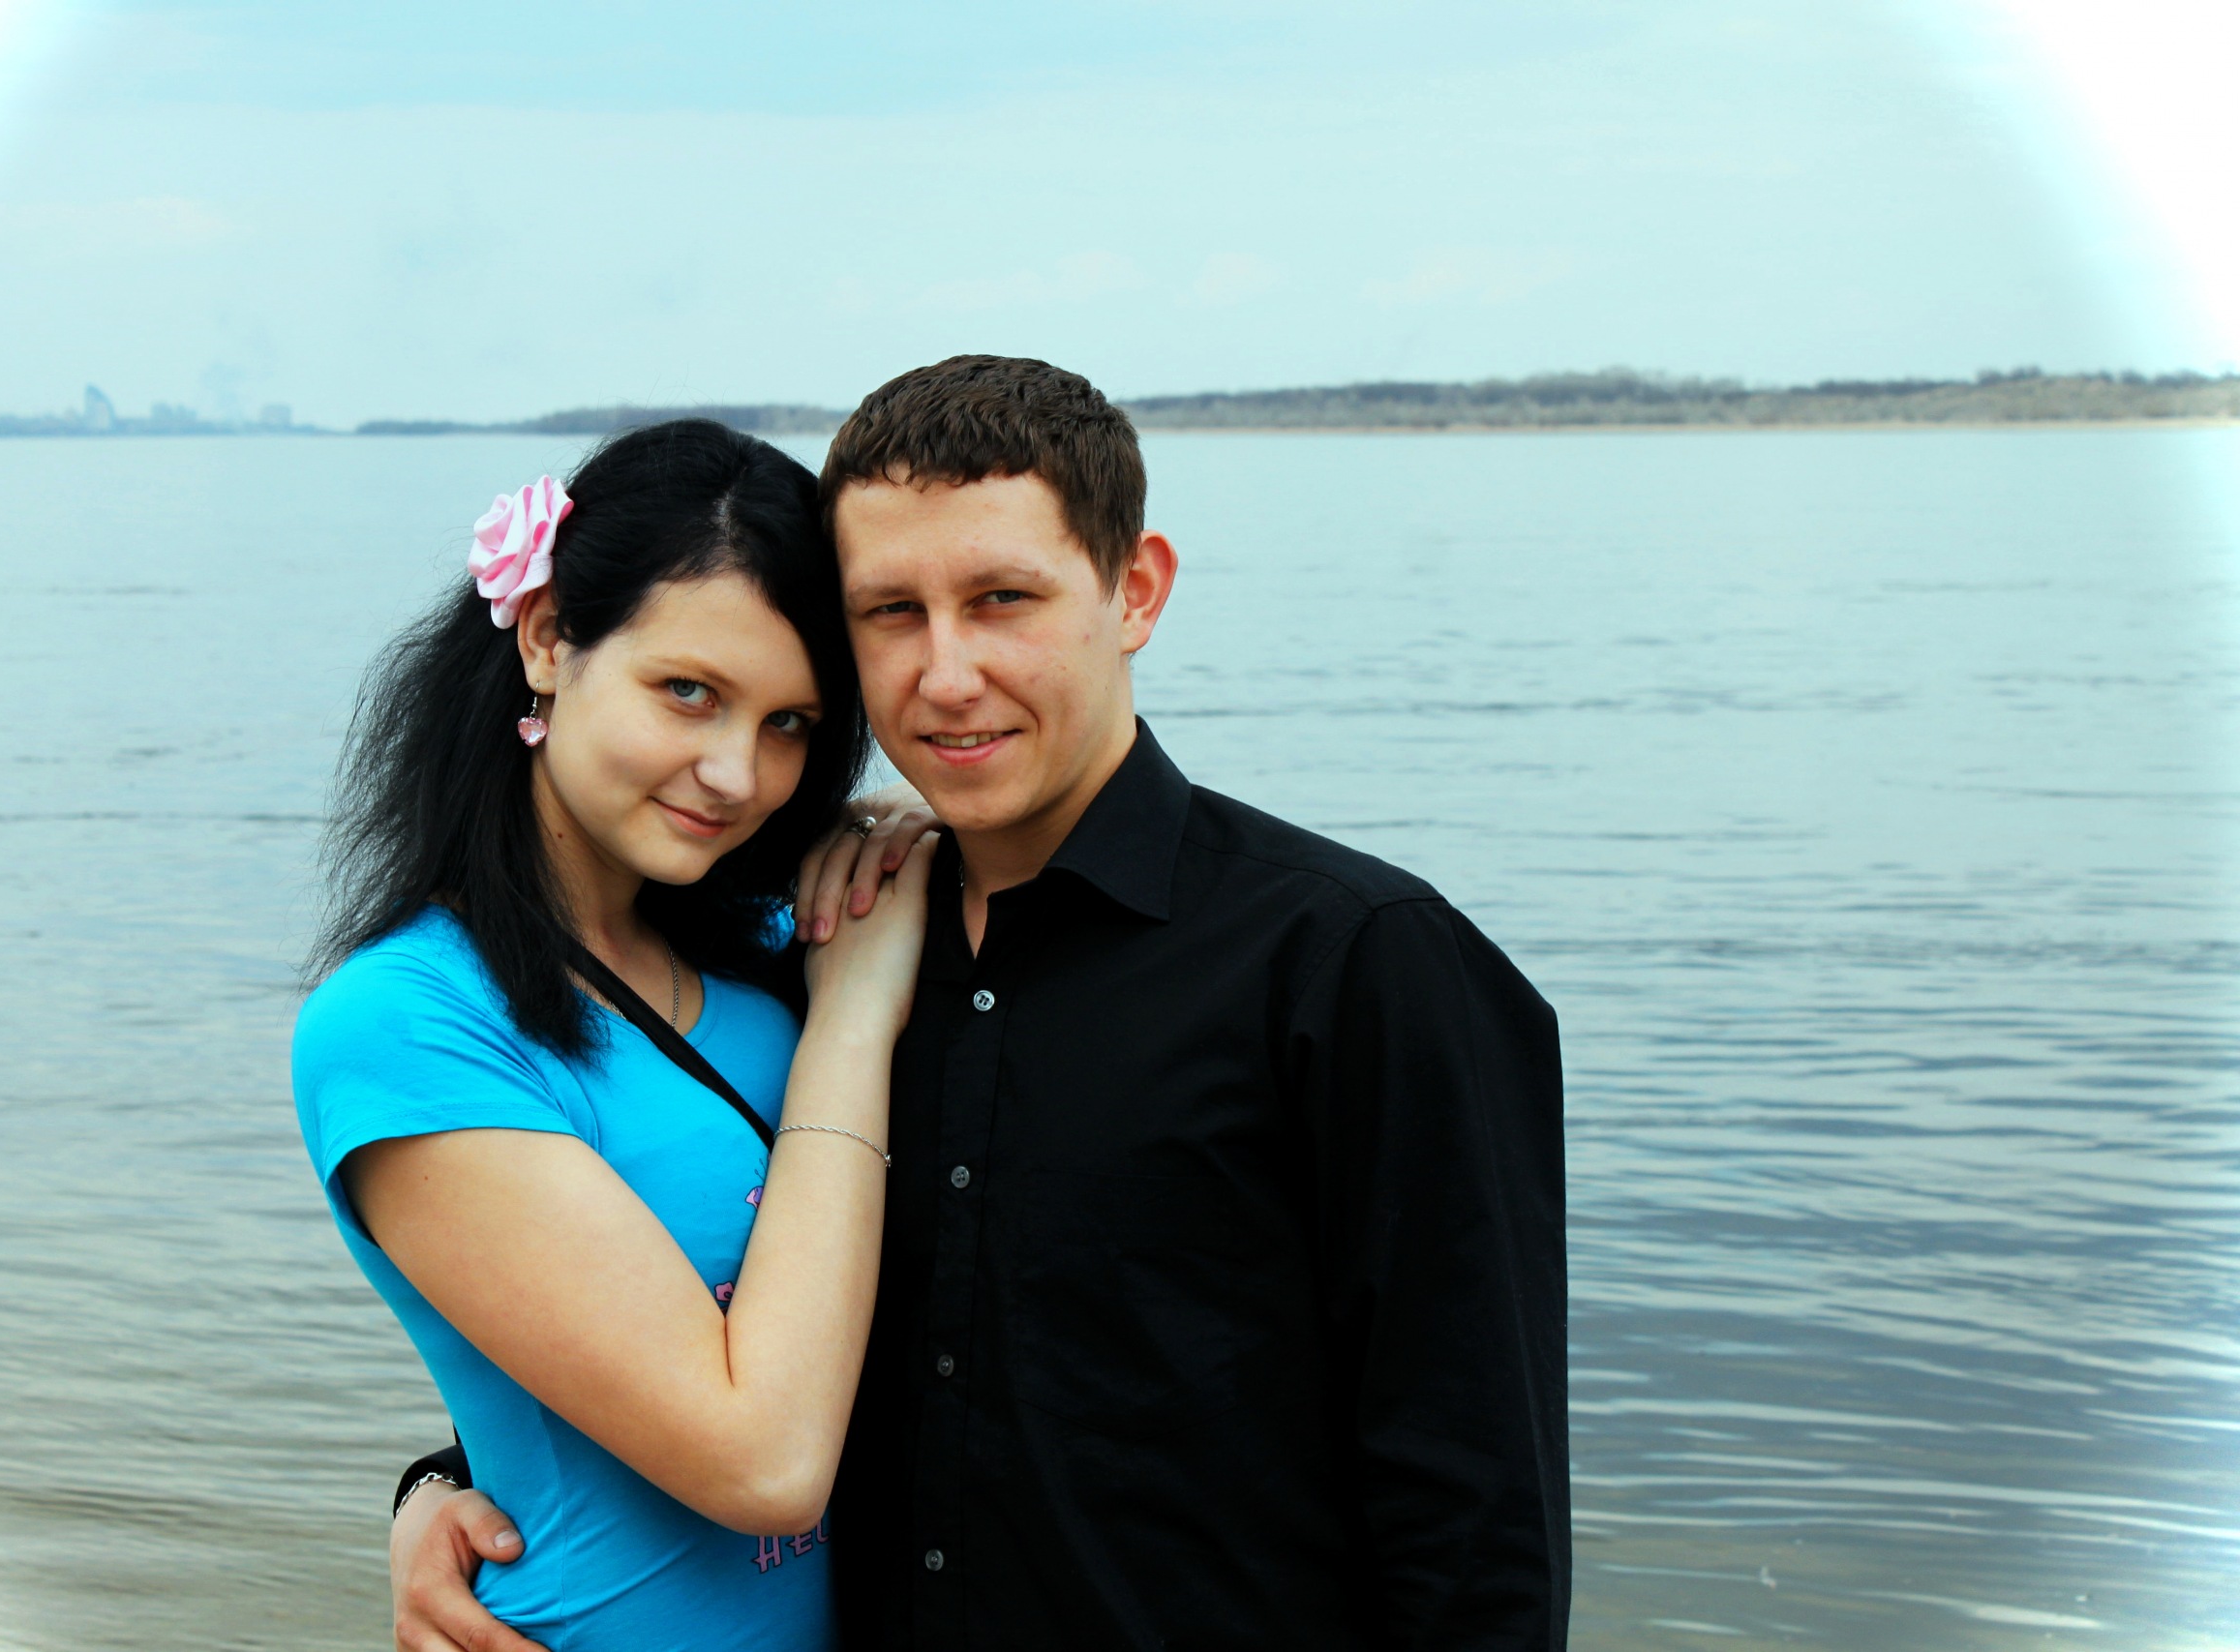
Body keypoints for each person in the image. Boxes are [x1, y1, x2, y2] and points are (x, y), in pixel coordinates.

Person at [392, 358, 1571, 1651]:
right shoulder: (809, 956)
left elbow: (1475, 1528)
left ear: (1135, 590)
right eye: (891, 612)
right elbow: (706, 1310)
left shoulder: (1359, 965)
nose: (945, 675)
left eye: (1002, 599)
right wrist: (448, 1484)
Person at [293, 419, 946, 1652]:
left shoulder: (778, 942)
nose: (736, 773)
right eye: (688, 692)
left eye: (789, 723)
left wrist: (436, 1477)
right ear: (547, 637)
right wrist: (854, 1025)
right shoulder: (409, 1025)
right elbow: (763, 1463)